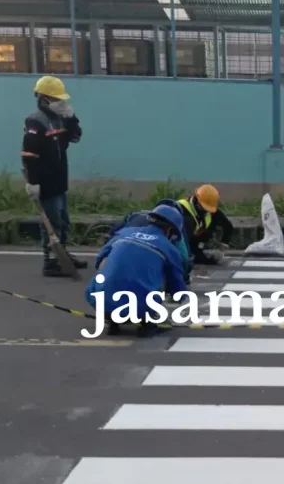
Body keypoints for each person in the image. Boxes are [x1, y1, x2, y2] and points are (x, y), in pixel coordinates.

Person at [86, 204, 187, 338]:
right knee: (161, 274)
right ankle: (148, 323)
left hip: (101, 303)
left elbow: (99, 260)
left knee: (107, 263)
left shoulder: (124, 233)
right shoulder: (169, 249)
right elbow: (177, 288)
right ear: (170, 231)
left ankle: (111, 320)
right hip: (140, 308)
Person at [21, 75, 86, 277]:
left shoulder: (59, 118)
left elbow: (75, 138)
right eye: (57, 99)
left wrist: (72, 117)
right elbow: (29, 154)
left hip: (59, 179)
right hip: (45, 182)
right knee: (51, 222)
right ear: (44, 98)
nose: (61, 102)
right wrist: (32, 183)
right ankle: (50, 262)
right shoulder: (35, 121)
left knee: (63, 221)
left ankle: (62, 255)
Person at [107, 198, 193, 284]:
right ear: (172, 229)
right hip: (143, 286)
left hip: (109, 280)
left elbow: (109, 241)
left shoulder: (126, 230)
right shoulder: (168, 248)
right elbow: (184, 259)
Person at [176, 184, 234, 268]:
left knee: (207, 259)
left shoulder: (210, 210)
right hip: (181, 242)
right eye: (205, 208)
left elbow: (228, 226)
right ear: (197, 201)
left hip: (197, 241)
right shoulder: (185, 214)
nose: (207, 211)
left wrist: (224, 244)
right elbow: (183, 242)